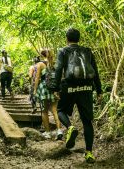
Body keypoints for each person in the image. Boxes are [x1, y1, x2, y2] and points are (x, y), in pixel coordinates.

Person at [54, 28, 102, 163]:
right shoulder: (87, 51)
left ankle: (70, 128)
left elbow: (58, 69)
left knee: (60, 110)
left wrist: (55, 88)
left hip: (69, 87)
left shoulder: (63, 51)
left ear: (67, 38)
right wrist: (99, 90)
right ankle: (89, 153)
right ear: (79, 38)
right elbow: (95, 71)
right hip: (86, 88)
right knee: (87, 121)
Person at [33, 49, 63, 140]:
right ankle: (59, 130)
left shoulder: (40, 64)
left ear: (42, 55)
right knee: (54, 110)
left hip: (44, 88)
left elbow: (37, 77)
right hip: (54, 88)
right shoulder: (55, 63)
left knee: (44, 111)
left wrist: (34, 90)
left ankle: (48, 132)